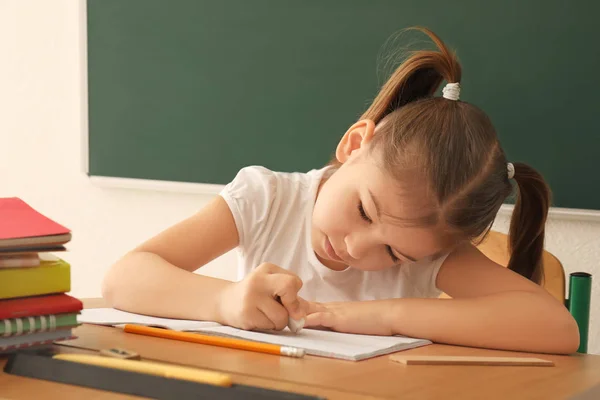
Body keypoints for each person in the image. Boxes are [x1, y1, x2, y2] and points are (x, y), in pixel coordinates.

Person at [102, 27, 579, 354]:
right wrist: (225, 302)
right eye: (365, 212)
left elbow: (556, 327)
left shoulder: (429, 248)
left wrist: (385, 316)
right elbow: (125, 278)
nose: (357, 248)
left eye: (394, 254)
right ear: (354, 145)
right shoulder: (268, 199)